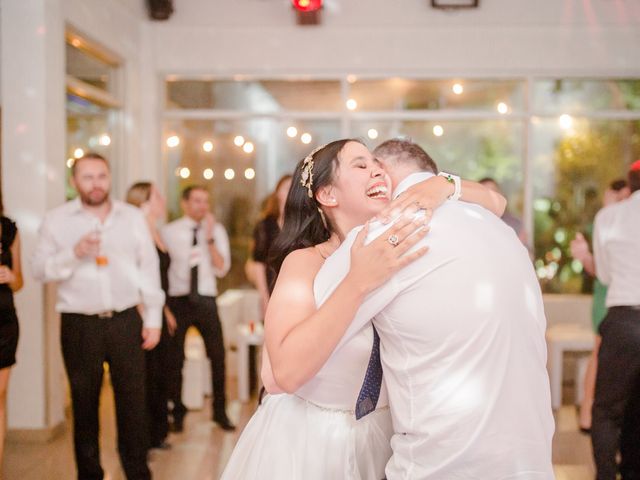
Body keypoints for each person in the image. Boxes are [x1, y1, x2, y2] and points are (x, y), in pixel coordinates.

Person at [267, 138, 554, 478]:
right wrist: (359, 280)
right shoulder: (317, 259)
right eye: (362, 165)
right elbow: (276, 374)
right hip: (321, 441)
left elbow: (496, 200)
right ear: (328, 194)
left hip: (388, 436)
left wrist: (444, 184)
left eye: (377, 165)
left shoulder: (395, 235)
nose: (376, 172)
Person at [31, 153, 164, 480]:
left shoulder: (131, 217)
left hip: (125, 321)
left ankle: (137, 472)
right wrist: (73, 253)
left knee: (133, 404)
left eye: (101, 176)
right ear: (74, 181)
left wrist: (154, 319)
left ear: (109, 178)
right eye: (87, 177)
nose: (95, 183)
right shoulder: (57, 219)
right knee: (84, 404)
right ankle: (89, 475)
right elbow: (39, 270)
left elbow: (147, 269)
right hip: (79, 325)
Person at [160, 186, 234, 431]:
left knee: (217, 356)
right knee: (174, 360)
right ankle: (177, 413)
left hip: (205, 299)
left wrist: (210, 238)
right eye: (197, 201)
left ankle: (219, 411)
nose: (202, 206)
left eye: (206, 201)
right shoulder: (169, 232)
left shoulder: (217, 231)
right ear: (184, 203)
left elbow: (222, 268)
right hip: (178, 300)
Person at [591, 160, 640, 480]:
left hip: (624, 320)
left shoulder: (609, 216)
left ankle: (607, 475)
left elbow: (605, 274)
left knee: (608, 410)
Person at [569, 178, 630, 432]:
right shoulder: (605, 221)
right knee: (599, 354)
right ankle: (586, 414)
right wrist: (584, 257)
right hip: (608, 299)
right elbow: (597, 268)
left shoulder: (617, 220)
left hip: (619, 298)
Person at [126, 182, 178, 450]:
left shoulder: (155, 229)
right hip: (145, 313)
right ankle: (143, 439)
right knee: (145, 377)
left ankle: (158, 433)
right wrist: (148, 312)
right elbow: (136, 276)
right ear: (144, 201)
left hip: (159, 307)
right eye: (157, 195)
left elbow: (158, 278)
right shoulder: (137, 230)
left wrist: (165, 309)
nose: (162, 198)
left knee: (160, 374)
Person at [0, 208, 23, 473]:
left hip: (4, 322)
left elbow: (19, 283)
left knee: (0, 396)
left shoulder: (9, 229)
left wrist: (11, 277)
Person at [251, 174, 292, 312]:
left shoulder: (304, 225)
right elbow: (258, 263)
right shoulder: (265, 225)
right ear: (278, 193)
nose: (291, 191)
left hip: (296, 288)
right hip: (272, 286)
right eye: (287, 188)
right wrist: (264, 297)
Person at [479, 176, 528, 245]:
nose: (490, 196)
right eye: (485, 193)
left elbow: (528, 253)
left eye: (494, 191)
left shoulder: (515, 224)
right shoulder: (474, 222)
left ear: (501, 195)